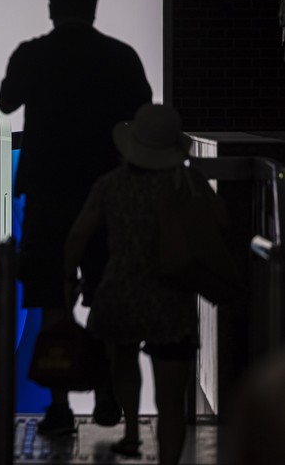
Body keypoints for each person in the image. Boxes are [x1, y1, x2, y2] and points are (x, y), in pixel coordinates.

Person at [0, 0, 152, 434]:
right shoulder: (120, 56)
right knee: (106, 294)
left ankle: (60, 405)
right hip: (106, 191)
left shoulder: (34, 53)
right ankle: (108, 396)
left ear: (51, 6)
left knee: (51, 298)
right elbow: (142, 110)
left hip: (48, 194)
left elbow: (6, 102)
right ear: (94, 7)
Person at [64, 104, 198, 465]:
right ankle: (168, 459)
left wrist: (68, 278)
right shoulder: (184, 184)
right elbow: (221, 222)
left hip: (121, 291)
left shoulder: (111, 185)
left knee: (123, 360)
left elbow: (79, 235)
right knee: (171, 398)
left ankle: (133, 432)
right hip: (173, 297)